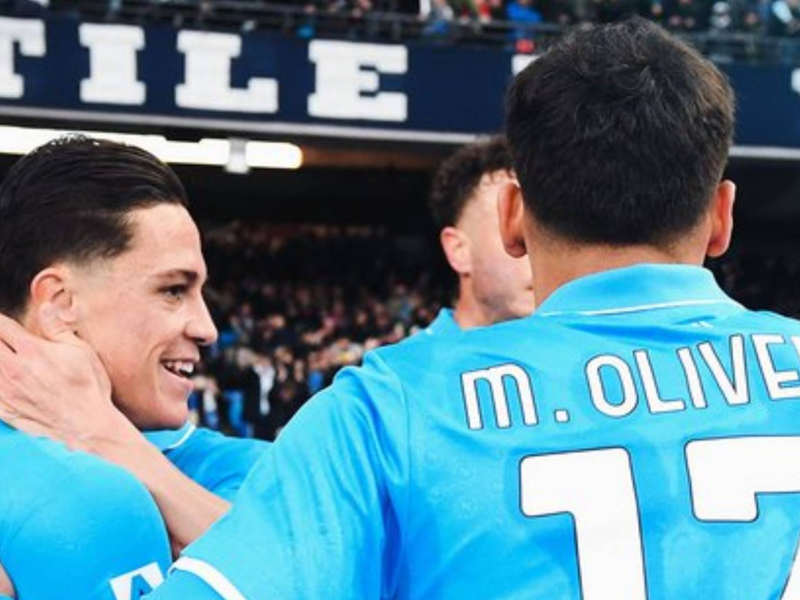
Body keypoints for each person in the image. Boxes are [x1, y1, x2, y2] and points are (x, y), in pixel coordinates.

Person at [0, 18, 792, 599]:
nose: (207, 323)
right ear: (721, 215)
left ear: (513, 219)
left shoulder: (389, 409)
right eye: (175, 288)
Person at [0, 136, 267, 599]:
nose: (206, 328)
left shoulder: (245, 472)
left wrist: (102, 435)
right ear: (60, 303)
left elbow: (304, 577)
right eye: (173, 290)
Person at [426, 135, 535, 334]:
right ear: (459, 250)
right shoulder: (398, 364)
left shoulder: (586, 359)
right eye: (517, 232)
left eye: (543, 232)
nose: (540, 254)